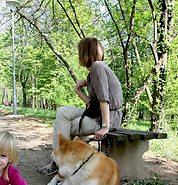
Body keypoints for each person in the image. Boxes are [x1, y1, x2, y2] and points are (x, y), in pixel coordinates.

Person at [38, 37, 123, 174]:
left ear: (84, 53)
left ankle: (58, 162)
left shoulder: (98, 66)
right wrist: (77, 91)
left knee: (64, 125)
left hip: (108, 118)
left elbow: (104, 100)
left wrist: (105, 127)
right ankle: (62, 161)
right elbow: (92, 104)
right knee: (62, 113)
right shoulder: (94, 71)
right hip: (97, 113)